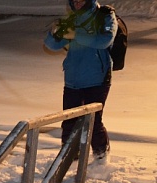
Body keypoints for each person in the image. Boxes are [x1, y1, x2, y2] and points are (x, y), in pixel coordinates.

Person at [43, 0, 117, 162]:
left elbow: (104, 41)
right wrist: (53, 34)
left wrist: (76, 34)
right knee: (69, 121)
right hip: (72, 80)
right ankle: (68, 158)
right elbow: (54, 45)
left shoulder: (105, 15)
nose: (77, 4)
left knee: (93, 121)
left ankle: (101, 158)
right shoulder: (72, 19)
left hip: (97, 79)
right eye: (74, 1)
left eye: (80, 0)